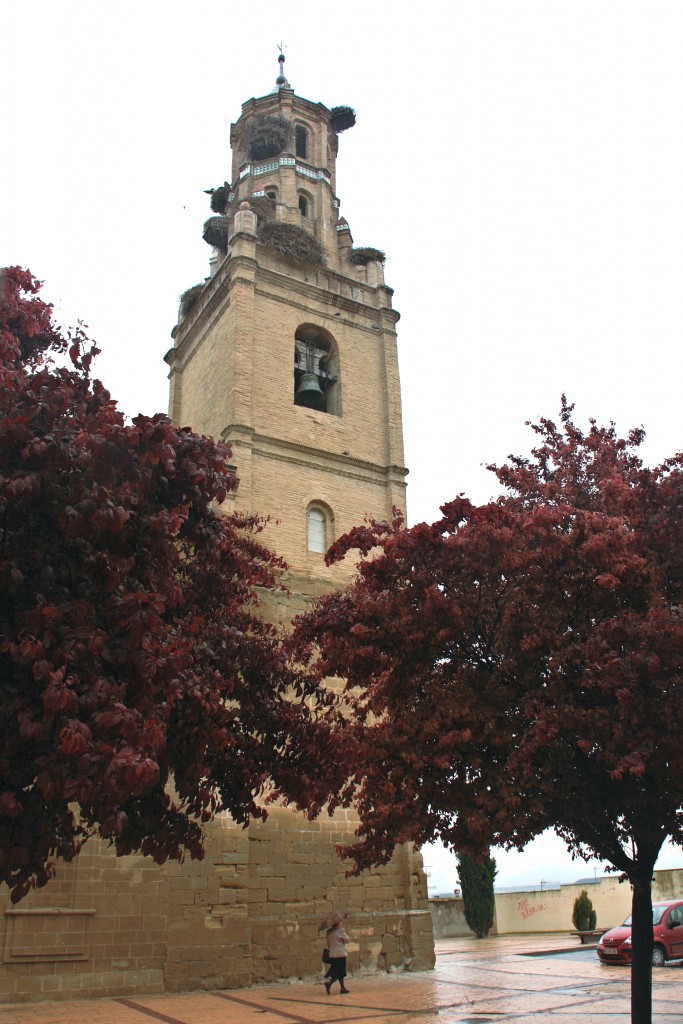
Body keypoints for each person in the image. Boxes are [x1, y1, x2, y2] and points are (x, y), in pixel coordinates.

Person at [324, 912, 350, 995]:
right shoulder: (340, 931)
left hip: (332, 954)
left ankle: (342, 988)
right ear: (338, 923)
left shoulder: (329, 931)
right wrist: (344, 932)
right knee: (340, 972)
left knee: (338, 971)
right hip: (340, 955)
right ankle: (329, 983)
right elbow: (348, 940)